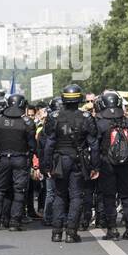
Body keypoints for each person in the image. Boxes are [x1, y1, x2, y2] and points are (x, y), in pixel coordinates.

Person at [41, 83, 99, 243]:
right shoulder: (86, 118)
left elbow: (49, 143)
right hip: (77, 161)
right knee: (76, 196)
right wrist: (95, 166)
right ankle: (71, 232)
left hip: (59, 160)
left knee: (59, 195)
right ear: (79, 99)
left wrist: (46, 165)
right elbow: (94, 145)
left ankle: (57, 232)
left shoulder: (53, 117)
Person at [93, 90, 128, 240]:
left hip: (106, 165)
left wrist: (95, 166)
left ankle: (112, 230)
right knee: (127, 196)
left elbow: (94, 147)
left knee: (109, 197)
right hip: (125, 165)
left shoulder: (100, 123)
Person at [0, 93, 38, 231]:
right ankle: (14, 222)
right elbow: (32, 144)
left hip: (2, 158)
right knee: (19, 190)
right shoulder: (27, 122)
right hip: (20, 158)